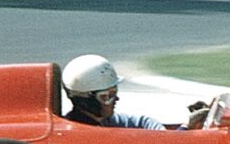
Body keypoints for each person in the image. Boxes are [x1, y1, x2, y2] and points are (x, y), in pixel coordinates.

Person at [61, 54, 209, 130]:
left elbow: (143, 122)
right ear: (84, 101)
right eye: (107, 96)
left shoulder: (105, 121)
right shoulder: (87, 132)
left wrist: (183, 128)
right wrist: (185, 127)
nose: (116, 99)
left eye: (114, 92)